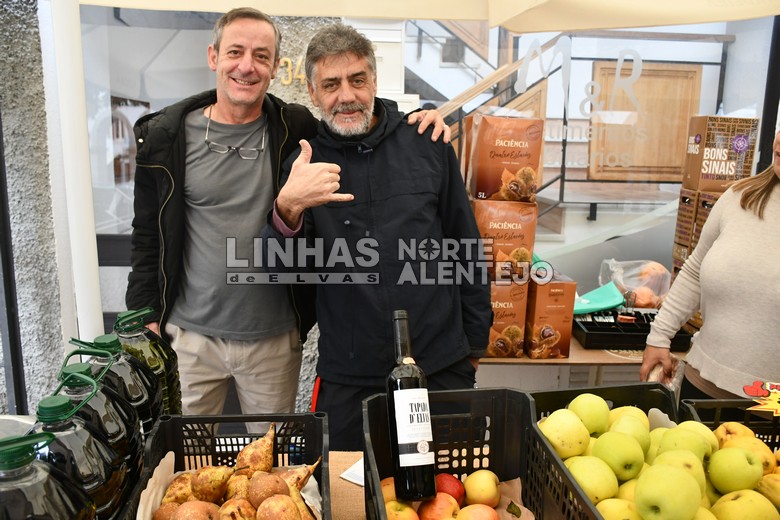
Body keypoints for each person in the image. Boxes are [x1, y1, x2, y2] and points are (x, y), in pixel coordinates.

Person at [125, 8, 450, 422]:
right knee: (187, 454)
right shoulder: (167, 138)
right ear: (213, 56)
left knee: (270, 454)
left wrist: (417, 120)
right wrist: (146, 318)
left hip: (274, 339)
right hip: (190, 338)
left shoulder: (294, 129)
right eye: (235, 52)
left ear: (276, 66)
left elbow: (355, 114)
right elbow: (147, 236)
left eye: (261, 56)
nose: (247, 66)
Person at [263, 23, 493, 450]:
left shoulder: (427, 142)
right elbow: (281, 274)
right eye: (330, 84)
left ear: (374, 80)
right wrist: (288, 207)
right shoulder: (304, 164)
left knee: (449, 483)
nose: (346, 95)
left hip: (439, 363)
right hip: (350, 377)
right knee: (347, 485)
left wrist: (474, 347)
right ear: (312, 93)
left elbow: (466, 248)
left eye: (357, 80)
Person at [640, 129, 780, 399]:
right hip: (702, 387)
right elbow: (694, 271)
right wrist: (659, 336)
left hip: (771, 408)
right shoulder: (740, 197)